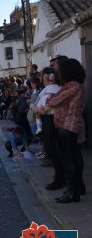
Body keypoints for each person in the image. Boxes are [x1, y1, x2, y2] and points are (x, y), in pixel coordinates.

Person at [41, 58, 86, 203]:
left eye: (59, 70)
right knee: (73, 158)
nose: (57, 72)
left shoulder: (72, 86)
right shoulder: (76, 85)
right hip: (70, 124)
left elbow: (53, 101)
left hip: (68, 125)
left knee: (69, 160)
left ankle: (72, 191)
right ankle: (77, 189)